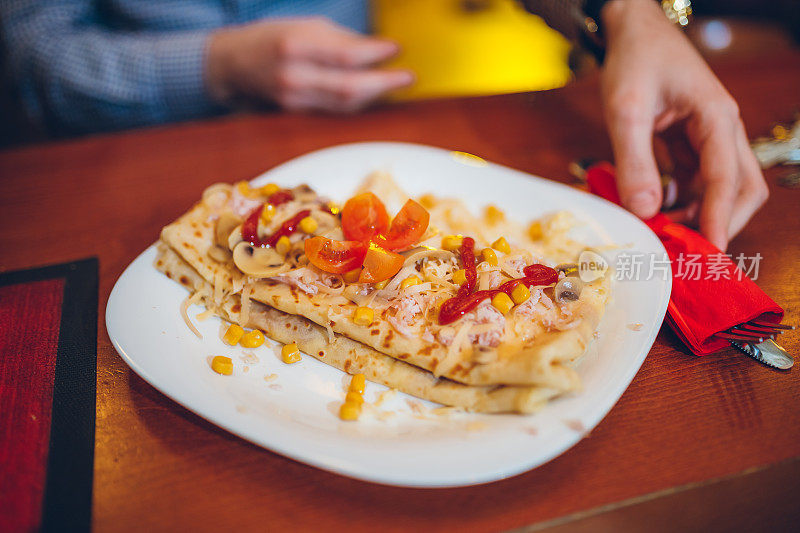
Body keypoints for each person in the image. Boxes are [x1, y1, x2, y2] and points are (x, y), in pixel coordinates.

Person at [0, 0, 767, 251]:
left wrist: (629, 12)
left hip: (355, 146)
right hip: (113, 175)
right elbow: (31, 53)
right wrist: (220, 64)